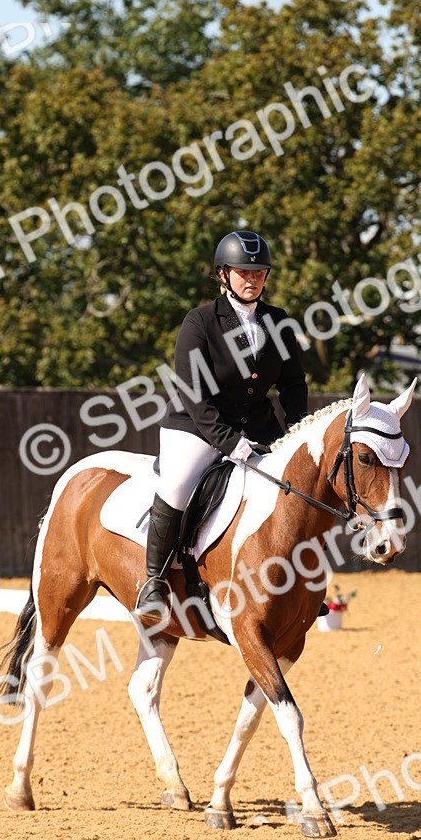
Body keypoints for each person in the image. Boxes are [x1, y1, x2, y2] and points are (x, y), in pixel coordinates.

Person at [136, 228, 309, 620]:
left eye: (259, 272)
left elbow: (293, 385)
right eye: (242, 272)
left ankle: (303, 583)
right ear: (223, 274)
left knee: (296, 488)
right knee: (178, 485)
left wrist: (297, 434)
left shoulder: (279, 323)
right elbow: (194, 393)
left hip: (258, 427)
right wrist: (229, 442)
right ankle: (154, 581)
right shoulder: (200, 321)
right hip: (197, 426)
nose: (252, 279)